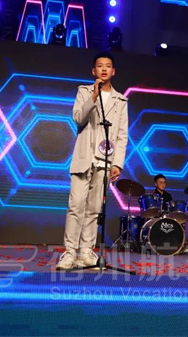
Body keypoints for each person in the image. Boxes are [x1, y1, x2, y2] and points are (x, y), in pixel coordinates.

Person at [56, 52, 128, 270]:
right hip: (84, 158)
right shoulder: (84, 92)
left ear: (113, 71)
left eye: (108, 66)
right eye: (100, 65)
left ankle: (86, 252)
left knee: (94, 209)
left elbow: (122, 135)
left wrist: (117, 163)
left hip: (104, 160)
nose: (104, 69)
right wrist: (93, 98)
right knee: (75, 206)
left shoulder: (120, 100)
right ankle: (70, 253)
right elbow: (78, 118)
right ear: (93, 70)